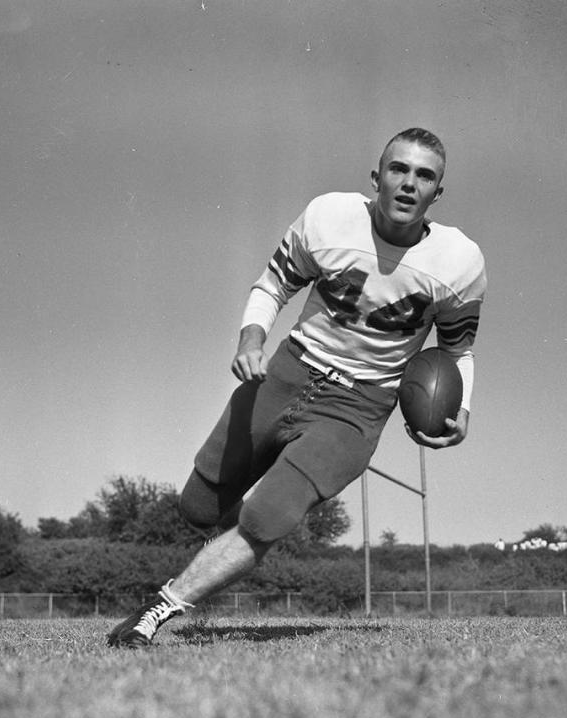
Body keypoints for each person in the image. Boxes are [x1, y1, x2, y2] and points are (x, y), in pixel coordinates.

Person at [107, 127, 487, 648]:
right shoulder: (328, 218)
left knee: (267, 517)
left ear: (437, 194)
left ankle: (159, 609)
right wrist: (250, 342)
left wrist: (461, 407)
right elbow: (272, 286)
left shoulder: (459, 263)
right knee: (198, 506)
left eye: (424, 176)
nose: (408, 184)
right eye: (398, 169)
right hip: (289, 370)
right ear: (376, 178)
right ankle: (230, 548)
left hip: (359, 405)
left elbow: (458, 351)